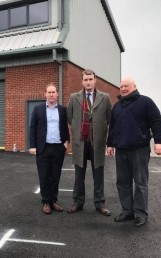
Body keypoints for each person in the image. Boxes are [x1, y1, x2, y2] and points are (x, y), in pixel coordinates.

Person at [107, 77, 161, 227]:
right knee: (122, 183)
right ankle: (127, 212)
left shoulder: (146, 102)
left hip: (139, 149)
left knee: (140, 183)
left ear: (134, 87)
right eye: (121, 86)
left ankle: (141, 214)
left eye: (126, 86)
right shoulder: (117, 106)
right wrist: (110, 144)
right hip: (121, 150)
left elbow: (156, 121)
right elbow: (113, 127)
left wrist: (159, 142)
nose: (123, 88)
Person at [66, 69, 112, 216]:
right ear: (82, 81)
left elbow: (109, 118)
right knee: (79, 174)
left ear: (95, 80)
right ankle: (78, 202)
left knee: (98, 173)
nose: (88, 82)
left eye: (90, 79)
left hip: (97, 142)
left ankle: (100, 203)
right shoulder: (74, 97)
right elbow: (69, 117)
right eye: (85, 80)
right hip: (81, 142)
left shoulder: (105, 98)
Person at [29, 83, 70, 214]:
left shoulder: (63, 110)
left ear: (57, 94)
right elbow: (32, 127)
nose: (51, 94)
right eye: (49, 92)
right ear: (45, 94)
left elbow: (65, 127)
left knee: (55, 176)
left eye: (53, 92)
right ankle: (46, 202)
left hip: (58, 148)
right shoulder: (38, 109)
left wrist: (66, 142)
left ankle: (53, 201)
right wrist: (33, 145)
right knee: (44, 176)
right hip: (43, 148)